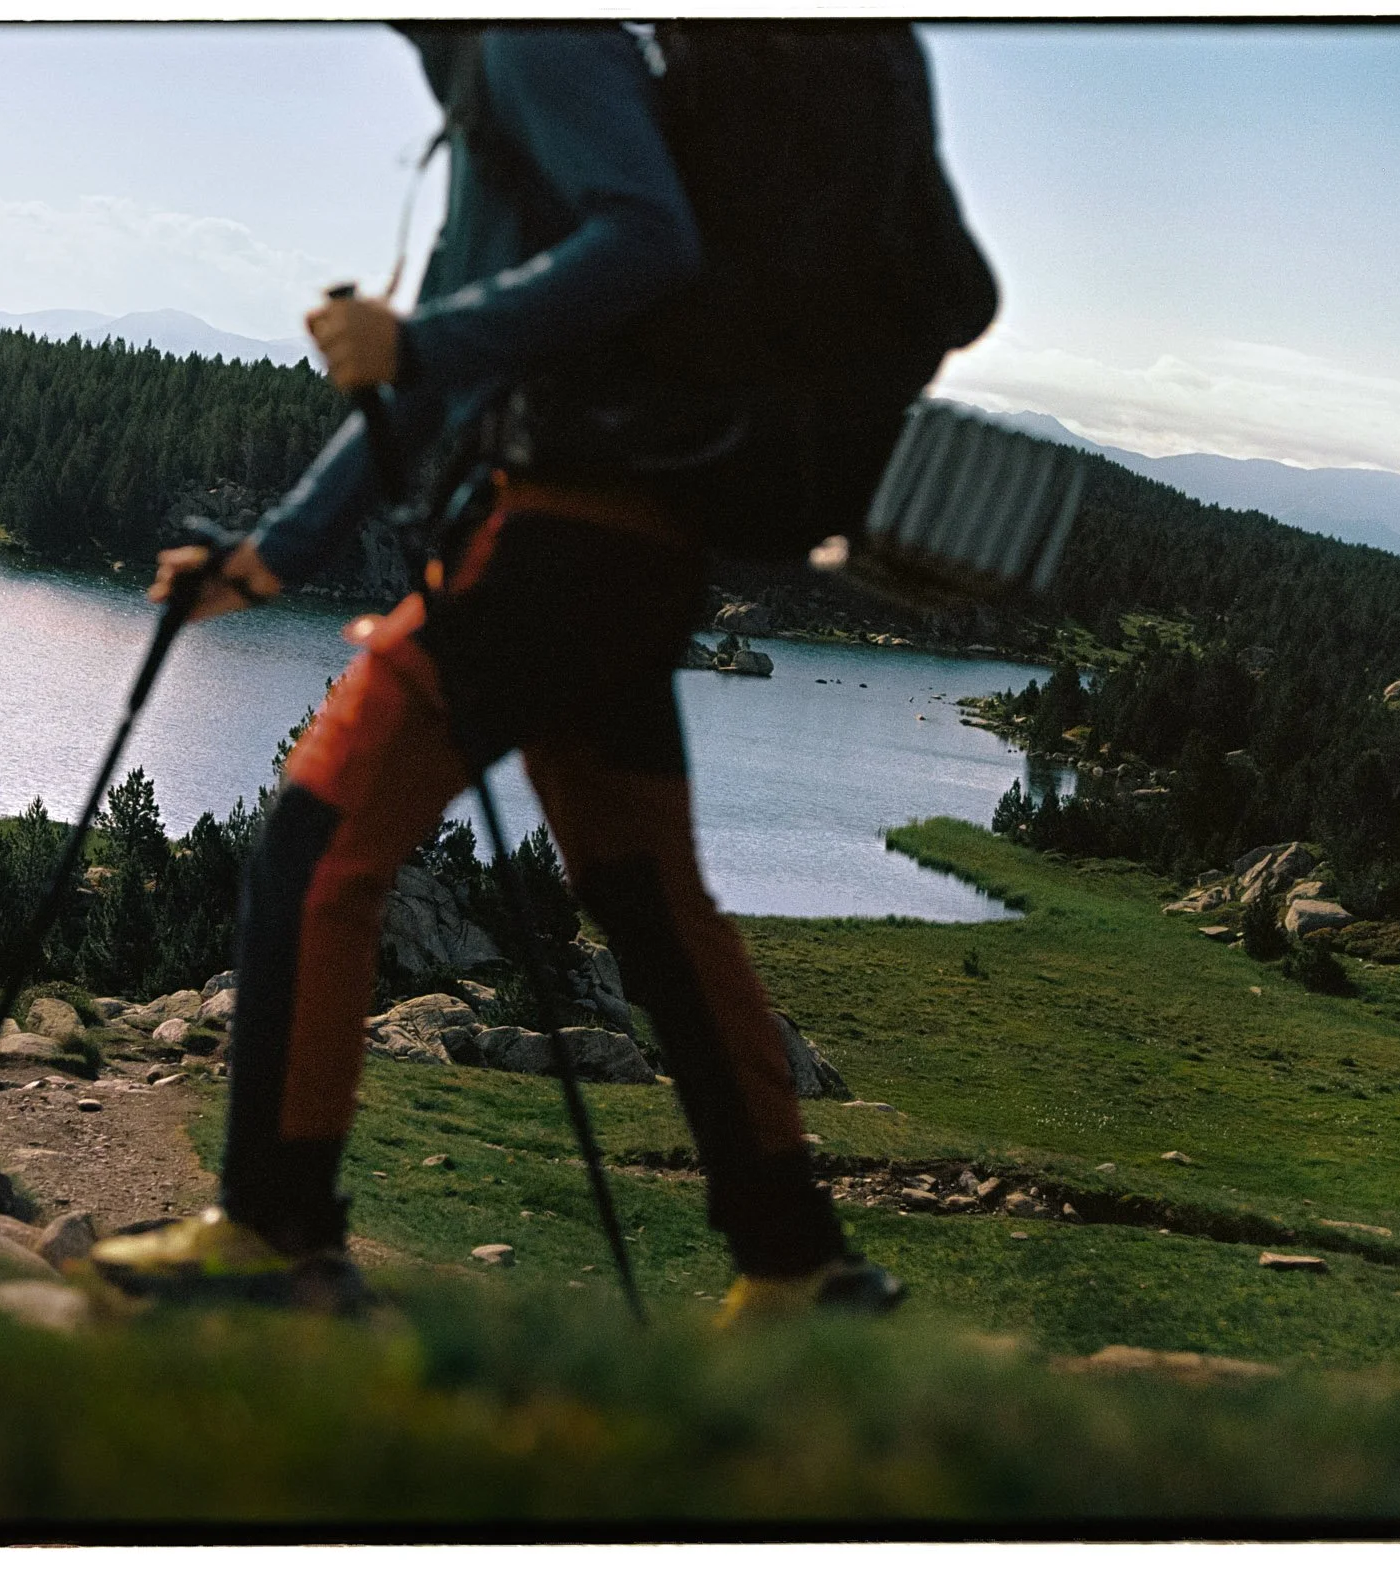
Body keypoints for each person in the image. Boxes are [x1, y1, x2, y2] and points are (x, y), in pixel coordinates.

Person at [91, 23, 903, 1323]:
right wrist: (271, 558)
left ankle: (274, 1239)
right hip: (629, 548)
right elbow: (424, 386)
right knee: (649, 903)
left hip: (548, 546)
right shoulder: (498, 71)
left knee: (317, 841)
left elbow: (641, 240)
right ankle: (797, 1266)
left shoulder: (528, 37)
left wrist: (415, 345)